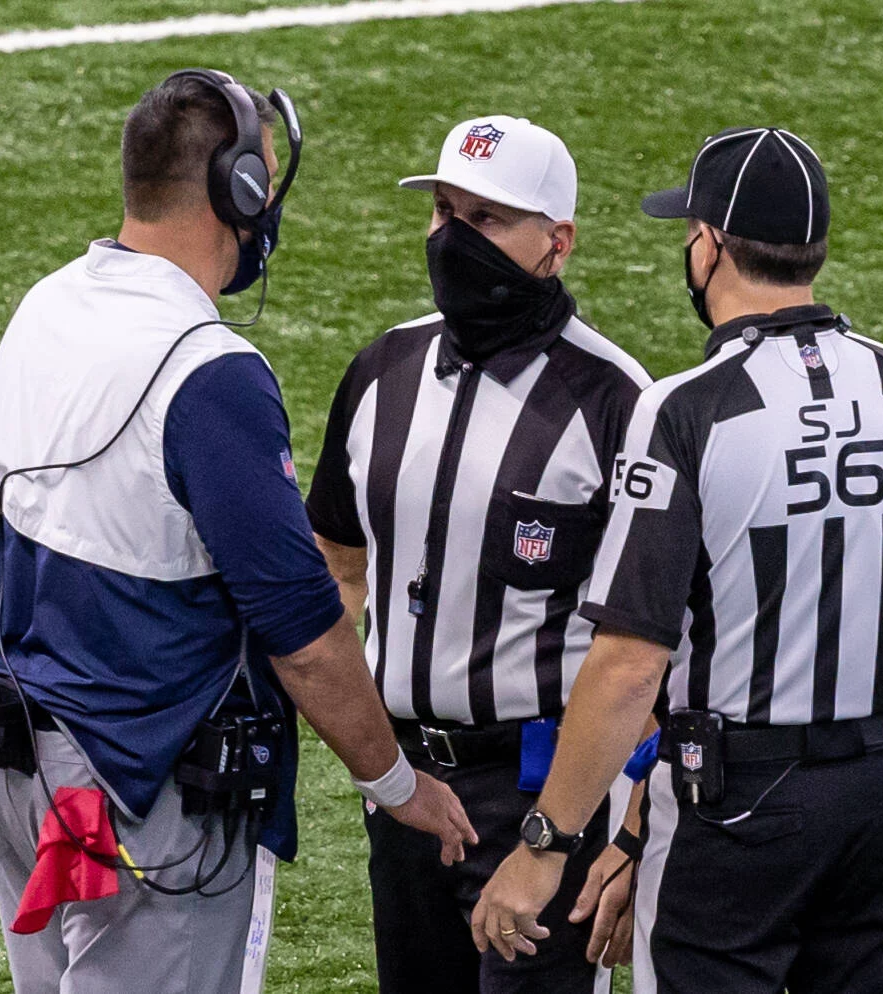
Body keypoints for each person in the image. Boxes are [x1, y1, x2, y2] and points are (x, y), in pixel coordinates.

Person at [0, 68, 473, 994]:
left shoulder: (45, 306)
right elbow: (303, 634)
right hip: (137, 779)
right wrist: (396, 784)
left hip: (18, 762)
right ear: (235, 192)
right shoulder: (208, 370)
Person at [473, 126, 883, 994]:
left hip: (735, 807)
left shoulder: (684, 410)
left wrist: (547, 847)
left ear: (710, 245)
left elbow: (625, 666)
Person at [305, 115, 654, 994]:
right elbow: (337, 566)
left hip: (542, 790)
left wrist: (623, 828)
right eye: (443, 212)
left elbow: (659, 647)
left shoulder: (617, 403)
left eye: (487, 220)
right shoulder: (380, 370)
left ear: (556, 243)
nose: (453, 239)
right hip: (405, 784)